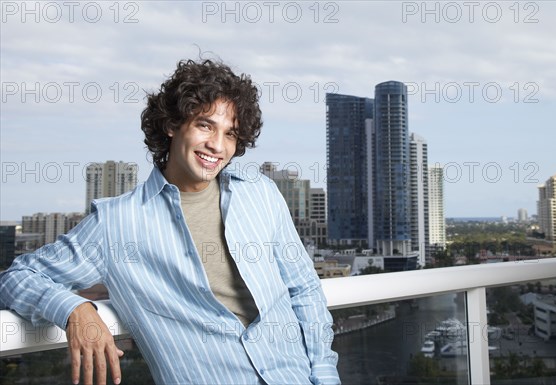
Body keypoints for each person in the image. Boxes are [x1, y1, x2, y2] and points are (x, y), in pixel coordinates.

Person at [0, 58, 340, 385]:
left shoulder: (260, 193)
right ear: (172, 125)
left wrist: (325, 375)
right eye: (205, 125)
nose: (217, 146)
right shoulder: (117, 222)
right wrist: (75, 309)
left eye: (231, 134)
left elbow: (304, 289)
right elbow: (16, 277)